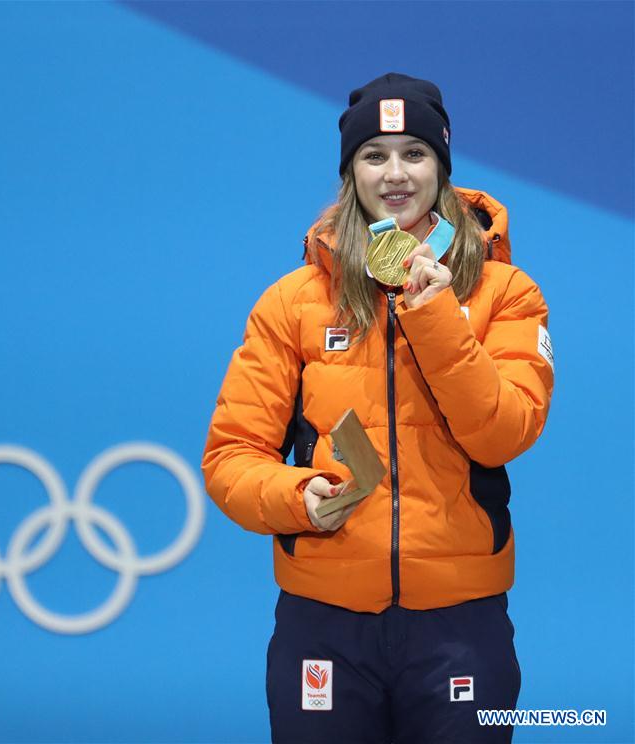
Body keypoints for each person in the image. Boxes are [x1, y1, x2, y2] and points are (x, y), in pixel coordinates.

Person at [201, 72, 554, 743]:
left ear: (442, 166)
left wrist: (435, 315)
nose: (396, 174)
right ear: (350, 172)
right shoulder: (292, 303)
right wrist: (298, 498)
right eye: (374, 155)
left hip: (460, 622)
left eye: (415, 153)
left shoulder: (507, 292)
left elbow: (504, 434)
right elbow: (230, 458)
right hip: (324, 621)